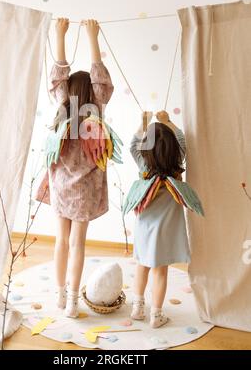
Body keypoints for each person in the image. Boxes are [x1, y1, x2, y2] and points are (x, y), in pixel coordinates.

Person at [49, 18, 114, 318]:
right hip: (86, 190)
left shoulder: (64, 111)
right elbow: (101, 81)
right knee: (77, 243)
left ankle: (61, 294)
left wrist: (59, 35)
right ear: (91, 94)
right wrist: (92, 37)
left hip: (62, 186)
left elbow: (58, 80)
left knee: (61, 240)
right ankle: (73, 300)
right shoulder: (96, 112)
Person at [129, 110, 190, 328]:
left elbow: (133, 145)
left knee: (142, 266)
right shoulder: (176, 163)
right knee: (160, 271)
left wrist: (143, 124)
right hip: (167, 230)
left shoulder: (144, 166)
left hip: (145, 228)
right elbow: (182, 140)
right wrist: (168, 122)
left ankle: (137, 308)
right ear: (173, 149)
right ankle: (156, 315)